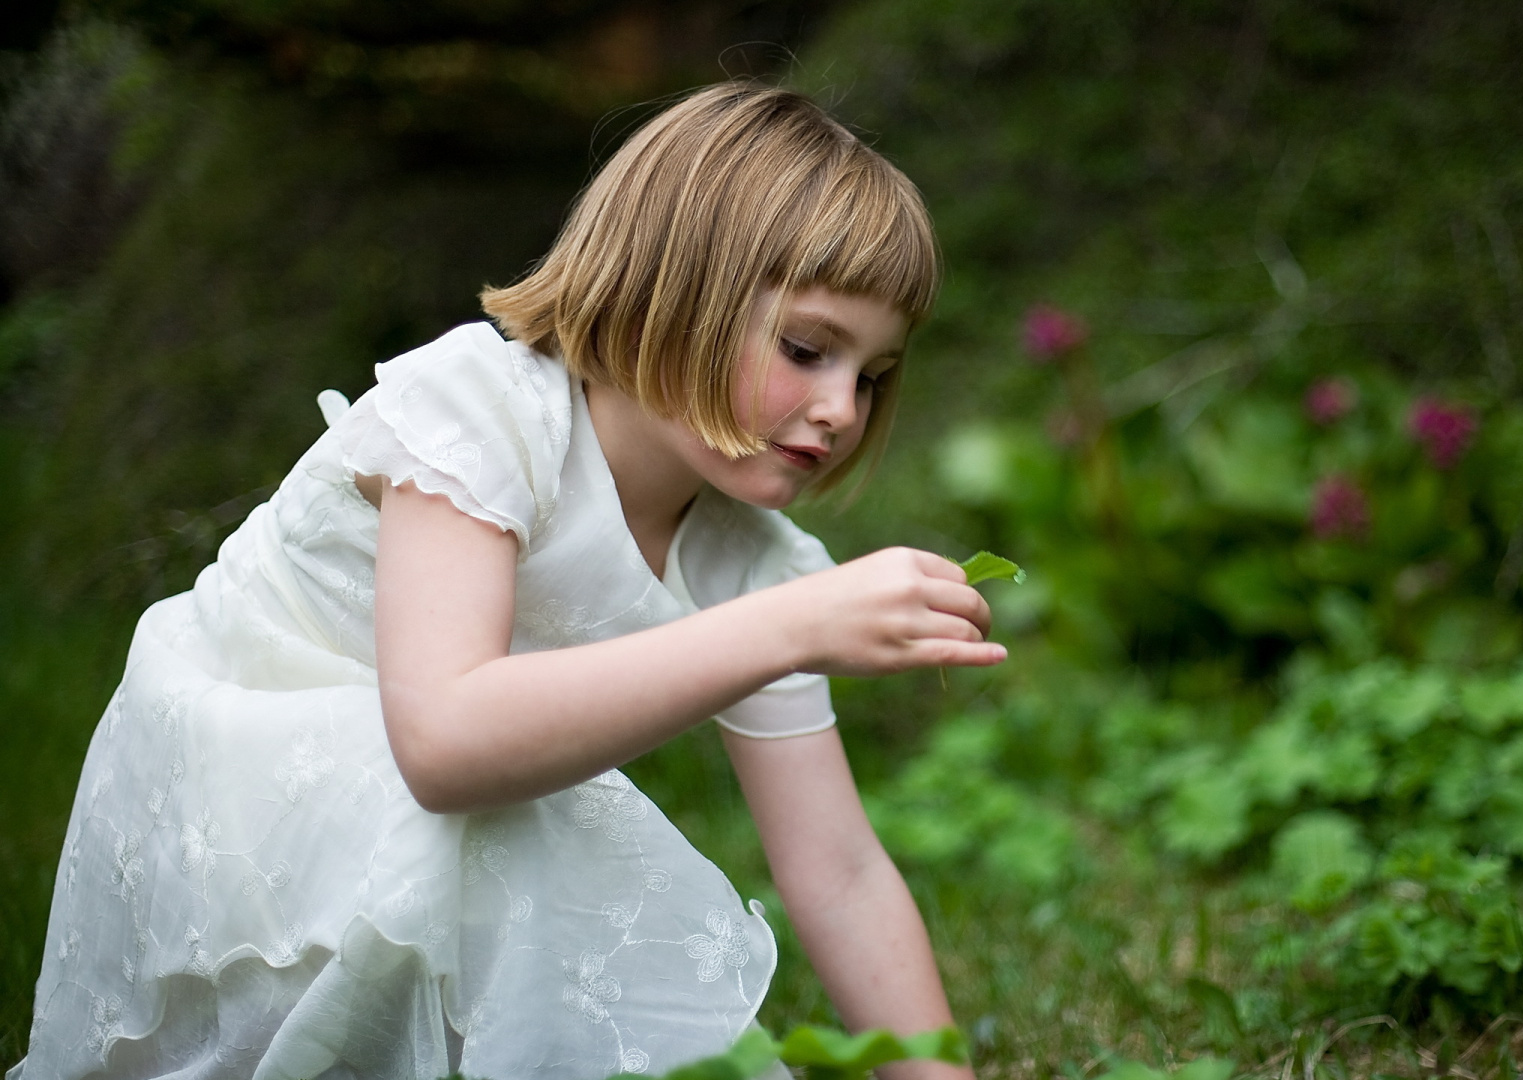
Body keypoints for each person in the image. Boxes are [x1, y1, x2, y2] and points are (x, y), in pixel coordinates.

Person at [9, 82, 1002, 1080]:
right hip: (243, 794)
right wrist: (789, 630)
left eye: (872, 375)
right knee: (539, 837)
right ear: (672, 286)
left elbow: (839, 872)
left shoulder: (756, 565)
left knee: (542, 855)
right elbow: (446, 743)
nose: (841, 408)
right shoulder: (485, 412)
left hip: (425, 816)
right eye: (807, 348)